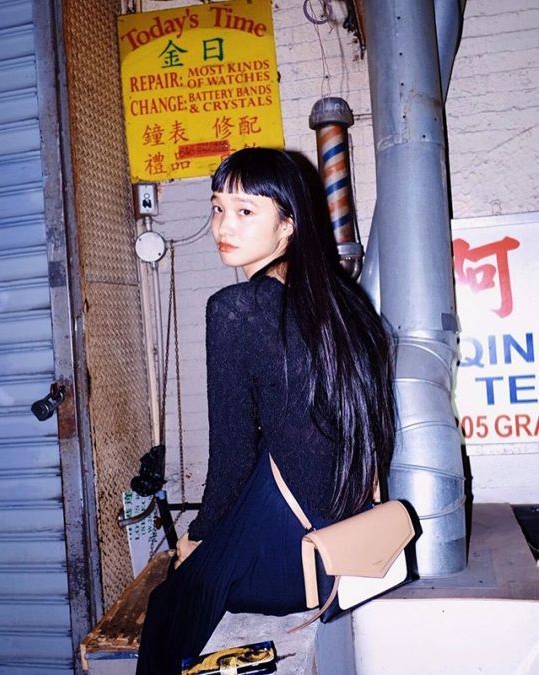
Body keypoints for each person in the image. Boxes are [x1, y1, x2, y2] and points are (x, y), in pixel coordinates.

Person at [136, 148, 395, 674]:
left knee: (168, 607)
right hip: (346, 542)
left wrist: (198, 535)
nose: (222, 226)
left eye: (245, 211)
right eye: (216, 207)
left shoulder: (237, 309)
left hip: (290, 554)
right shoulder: (345, 304)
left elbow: (232, 454)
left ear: (288, 226)